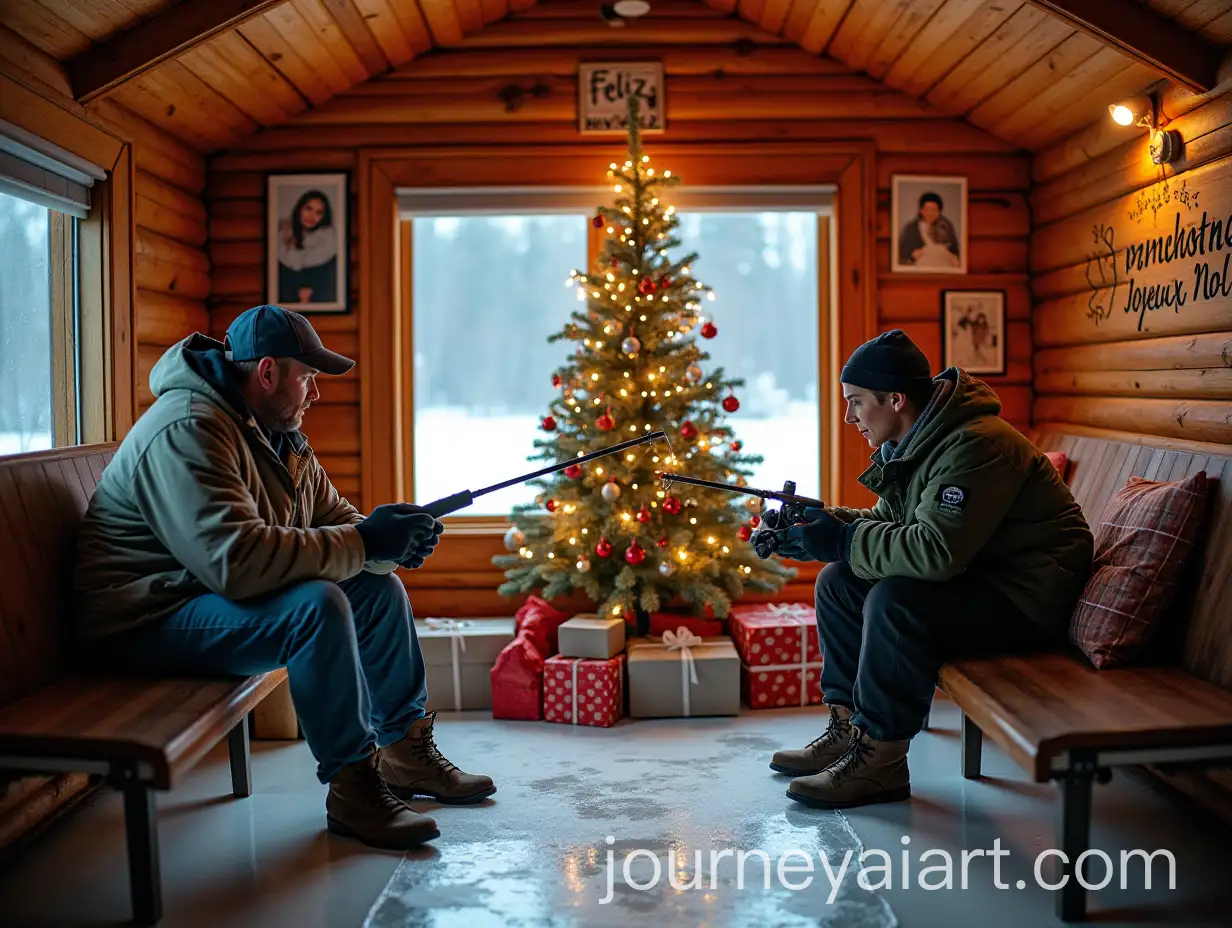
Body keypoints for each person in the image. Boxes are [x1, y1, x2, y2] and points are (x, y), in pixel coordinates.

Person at [72, 304, 494, 850]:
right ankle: (352, 789)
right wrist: (367, 543)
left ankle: (403, 752)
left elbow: (336, 522)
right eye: (308, 377)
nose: (315, 393)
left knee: (373, 588)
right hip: (142, 620)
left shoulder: (276, 434)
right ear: (268, 372)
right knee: (315, 608)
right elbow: (237, 562)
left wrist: (391, 545)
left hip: (201, 599)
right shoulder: (189, 429)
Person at [759, 329, 1093, 809]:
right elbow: (893, 526)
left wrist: (840, 538)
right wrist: (823, 525)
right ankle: (847, 730)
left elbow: (934, 550)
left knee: (897, 601)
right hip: (981, 577)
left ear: (894, 399)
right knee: (839, 581)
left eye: (855, 403)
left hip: (1029, 600)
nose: (849, 416)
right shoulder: (925, 439)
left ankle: (881, 759)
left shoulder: (975, 447)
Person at [278, 190, 338, 304]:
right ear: (299, 208)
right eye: (308, 208)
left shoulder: (328, 245)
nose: (312, 216)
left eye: (319, 212)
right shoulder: (282, 238)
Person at [898, 192, 961, 269]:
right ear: (921, 210)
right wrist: (912, 256)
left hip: (944, 265)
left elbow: (955, 251)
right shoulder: (911, 228)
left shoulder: (947, 227)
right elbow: (902, 253)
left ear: (939, 211)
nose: (931, 213)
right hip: (921, 266)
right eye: (928, 209)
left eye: (934, 210)